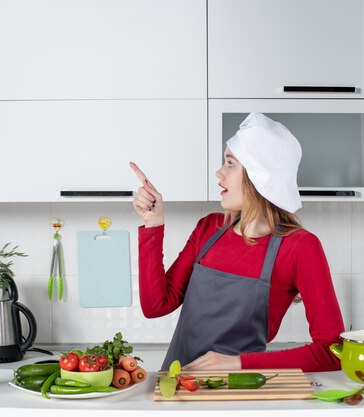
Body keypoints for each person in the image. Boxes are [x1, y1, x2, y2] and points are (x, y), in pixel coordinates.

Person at [130, 113, 344, 372]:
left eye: (230, 164)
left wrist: (239, 363)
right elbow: (156, 305)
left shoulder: (300, 247)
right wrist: (154, 224)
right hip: (177, 388)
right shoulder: (209, 228)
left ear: (259, 176)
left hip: (240, 394)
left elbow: (332, 351)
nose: (219, 173)